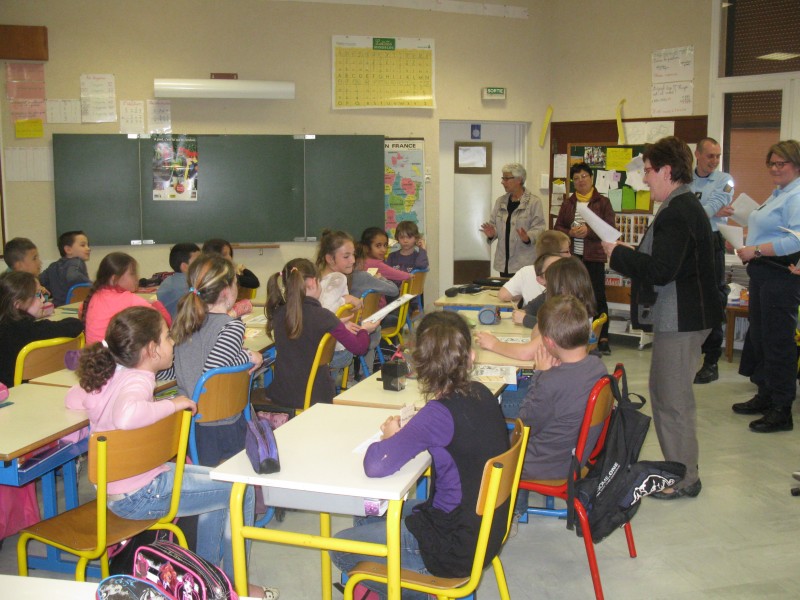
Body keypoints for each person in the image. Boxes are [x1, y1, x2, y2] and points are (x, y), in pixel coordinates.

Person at [65, 307, 276, 599]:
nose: (173, 341)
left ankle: (210, 581)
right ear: (151, 350)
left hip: (119, 491)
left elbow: (73, 398)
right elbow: (126, 416)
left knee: (221, 483)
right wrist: (173, 404)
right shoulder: (140, 379)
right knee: (242, 491)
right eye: (167, 337)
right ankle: (234, 585)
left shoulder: (112, 372)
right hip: (142, 493)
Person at [330, 311, 509, 599]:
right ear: (471, 357)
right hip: (485, 529)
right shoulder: (481, 393)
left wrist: (390, 437)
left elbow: (376, 465)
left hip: (451, 549)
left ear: (417, 367)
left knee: (340, 548)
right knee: (370, 511)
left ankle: (421, 592)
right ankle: (379, 588)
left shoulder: (439, 413)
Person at [602, 136, 722, 498]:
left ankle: (684, 478)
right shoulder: (680, 205)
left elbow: (661, 270)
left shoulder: (677, 211)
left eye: (649, 171)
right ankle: (681, 472)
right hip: (682, 317)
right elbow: (667, 263)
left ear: (667, 171)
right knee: (666, 393)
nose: (645, 179)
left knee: (673, 400)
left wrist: (617, 255)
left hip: (682, 319)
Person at [515, 295, 608, 513]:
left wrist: (540, 374)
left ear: (548, 342)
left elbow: (524, 425)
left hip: (549, 465)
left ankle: (515, 510)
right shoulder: (597, 366)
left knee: (495, 425)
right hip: (577, 455)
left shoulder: (551, 383)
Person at [732, 140, 800, 433]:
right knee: (760, 338)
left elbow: (795, 240)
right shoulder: (778, 193)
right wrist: (746, 244)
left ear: (796, 164)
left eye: (781, 163)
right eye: (771, 163)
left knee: (778, 342)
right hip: (763, 274)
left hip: (780, 276)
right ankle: (766, 395)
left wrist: (757, 250)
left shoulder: (796, 195)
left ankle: (782, 409)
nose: (774, 168)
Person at [172, 253, 263, 467]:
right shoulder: (232, 326)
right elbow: (215, 370)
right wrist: (249, 356)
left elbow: (174, 368)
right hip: (224, 424)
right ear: (226, 291)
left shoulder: (185, 322)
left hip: (191, 424)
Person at [263, 258, 375, 409]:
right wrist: (364, 330)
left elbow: (303, 327)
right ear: (312, 282)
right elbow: (359, 348)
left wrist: (336, 322)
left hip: (281, 395)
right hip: (316, 396)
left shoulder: (279, 312)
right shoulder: (323, 317)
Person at [476, 256, 596, 363]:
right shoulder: (577, 308)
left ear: (562, 288)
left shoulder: (566, 316)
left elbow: (526, 353)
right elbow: (536, 334)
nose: (547, 290)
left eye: (549, 285)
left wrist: (494, 344)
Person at [554, 162, 616, 355]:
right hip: (573, 258)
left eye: (584, 176)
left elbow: (610, 230)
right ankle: (576, 335)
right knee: (573, 297)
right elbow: (558, 228)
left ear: (591, 178)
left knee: (598, 297)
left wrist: (589, 232)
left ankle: (602, 337)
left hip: (594, 258)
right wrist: (570, 233)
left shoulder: (603, 202)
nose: (580, 181)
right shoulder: (568, 203)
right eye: (576, 178)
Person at [690, 138, 735, 384]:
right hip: (688, 242)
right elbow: (676, 206)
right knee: (689, 299)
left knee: (713, 299)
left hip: (712, 242)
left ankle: (711, 361)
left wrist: (703, 209)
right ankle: (690, 356)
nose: (715, 161)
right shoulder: (685, 178)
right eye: (710, 156)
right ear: (697, 154)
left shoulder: (725, 180)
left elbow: (713, 206)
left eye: (718, 156)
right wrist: (707, 210)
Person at [0, 271, 83, 387]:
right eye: (38, 295)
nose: (43, 299)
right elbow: (75, 325)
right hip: (28, 390)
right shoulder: (31, 330)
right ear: (17, 304)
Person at [83, 252, 171, 345]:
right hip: (112, 353)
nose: (137, 278)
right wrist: (156, 303)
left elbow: (82, 310)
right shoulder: (129, 299)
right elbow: (165, 322)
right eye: (132, 274)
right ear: (114, 279)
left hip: (93, 351)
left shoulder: (95, 294)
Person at [480, 163, 546, 277]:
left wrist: (528, 237)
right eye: (503, 178)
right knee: (505, 289)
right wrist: (492, 233)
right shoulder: (500, 201)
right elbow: (494, 225)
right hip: (504, 263)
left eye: (506, 178)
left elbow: (539, 227)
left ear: (519, 180)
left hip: (524, 262)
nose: (502, 182)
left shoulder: (534, 202)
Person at [316, 230, 364, 377]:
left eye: (353, 254)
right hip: (335, 352)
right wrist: (346, 299)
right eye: (346, 256)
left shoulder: (315, 277)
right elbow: (325, 311)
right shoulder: (337, 278)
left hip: (325, 350)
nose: (353, 260)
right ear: (330, 259)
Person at [497, 230, 570, 305]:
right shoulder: (570, 272)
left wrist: (522, 295)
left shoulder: (526, 271)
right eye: (567, 251)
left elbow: (503, 295)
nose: (570, 255)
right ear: (554, 254)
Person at [39, 230, 92, 306]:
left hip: (57, 307)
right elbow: (73, 276)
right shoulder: (77, 261)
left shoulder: (52, 266)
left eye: (88, 245)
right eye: (83, 245)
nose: (88, 248)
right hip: (74, 307)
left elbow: (41, 281)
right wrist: (92, 285)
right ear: (68, 250)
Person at [512, 252, 563, 329]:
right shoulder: (547, 295)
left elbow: (560, 327)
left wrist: (526, 319)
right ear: (541, 280)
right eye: (552, 269)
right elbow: (530, 308)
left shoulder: (572, 294)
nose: (560, 272)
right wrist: (523, 313)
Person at [156, 242, 201, 319]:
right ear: (184, 267)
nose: (203, 264)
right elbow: (202, 296)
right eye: (198, 262)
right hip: (183, 324)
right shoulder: (187, 286)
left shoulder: (169, 280)